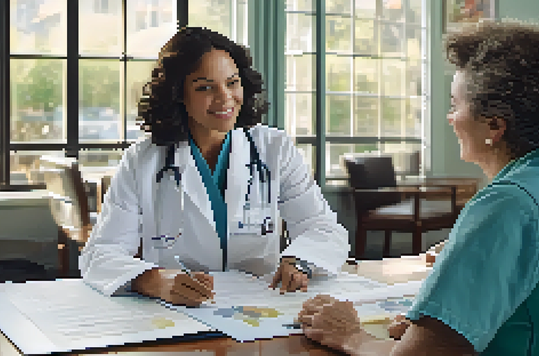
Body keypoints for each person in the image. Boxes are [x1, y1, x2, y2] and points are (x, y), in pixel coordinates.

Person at [296, 20, 539, 356]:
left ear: (494, 125)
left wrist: (348, 334)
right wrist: (439, 326)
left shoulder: (509, 203)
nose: (450, 118)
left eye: (455, 105)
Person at [79, 27, 350, 307]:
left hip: (260, 308)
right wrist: (155, 280)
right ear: (178, 94)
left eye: (232, 83)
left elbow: (323, 228)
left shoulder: (274, 148)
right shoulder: (142, 161)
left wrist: (300, 260)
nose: (224, 98)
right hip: (177, 313)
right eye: (205, 87)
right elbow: (100, 253)